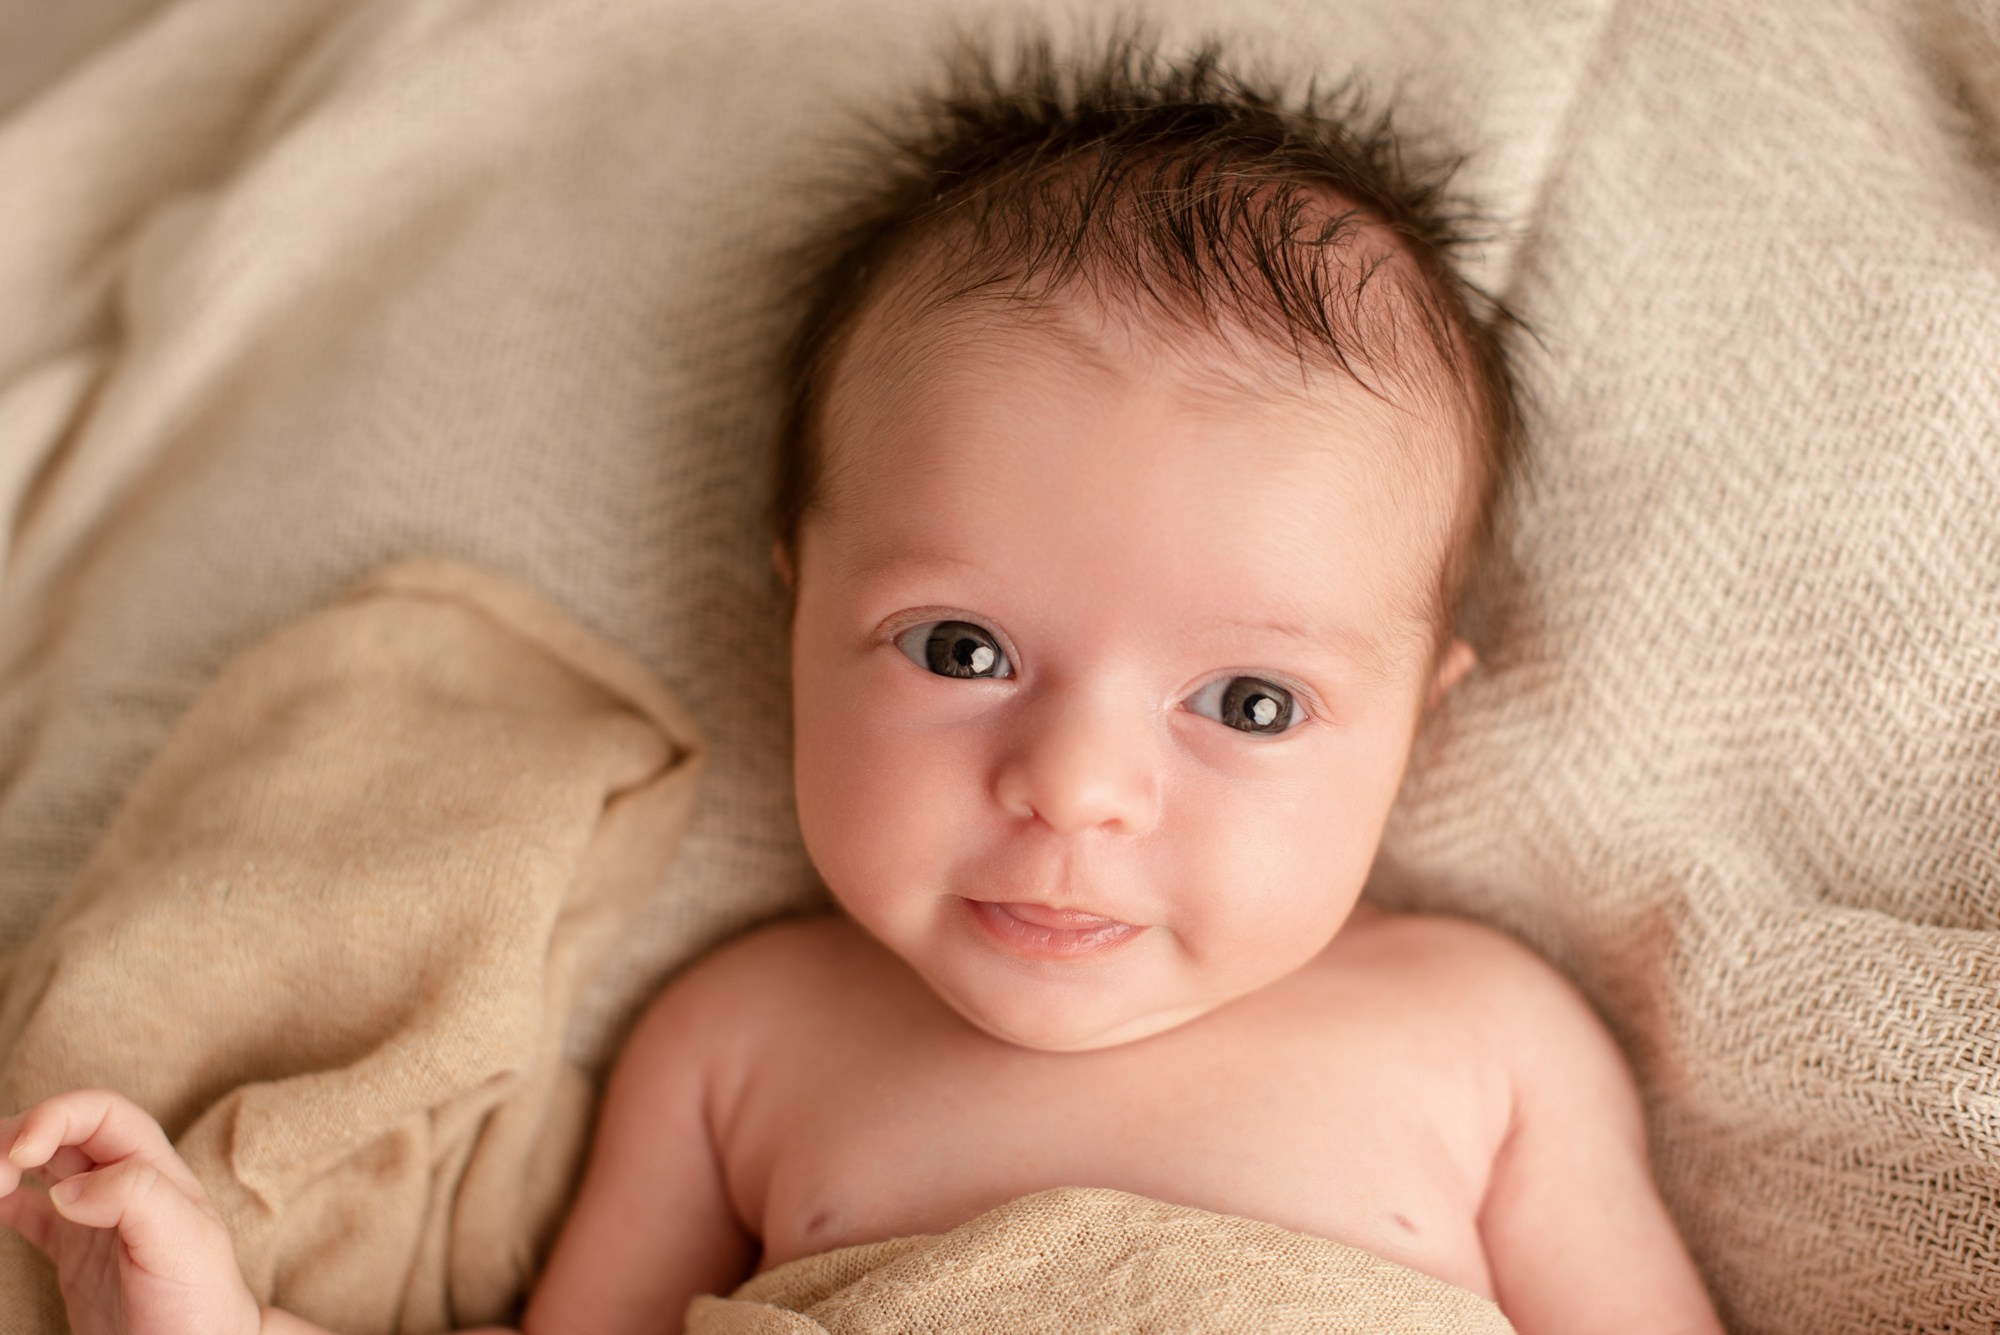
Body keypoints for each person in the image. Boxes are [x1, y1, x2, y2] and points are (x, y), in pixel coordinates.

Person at [0, 37, 1724, 1335]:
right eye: (963, 651)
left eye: (1250, 703)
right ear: (799, 609)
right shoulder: (737, 1043)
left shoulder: (1483, 1039)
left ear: (1420, 724)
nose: (1075, 785)